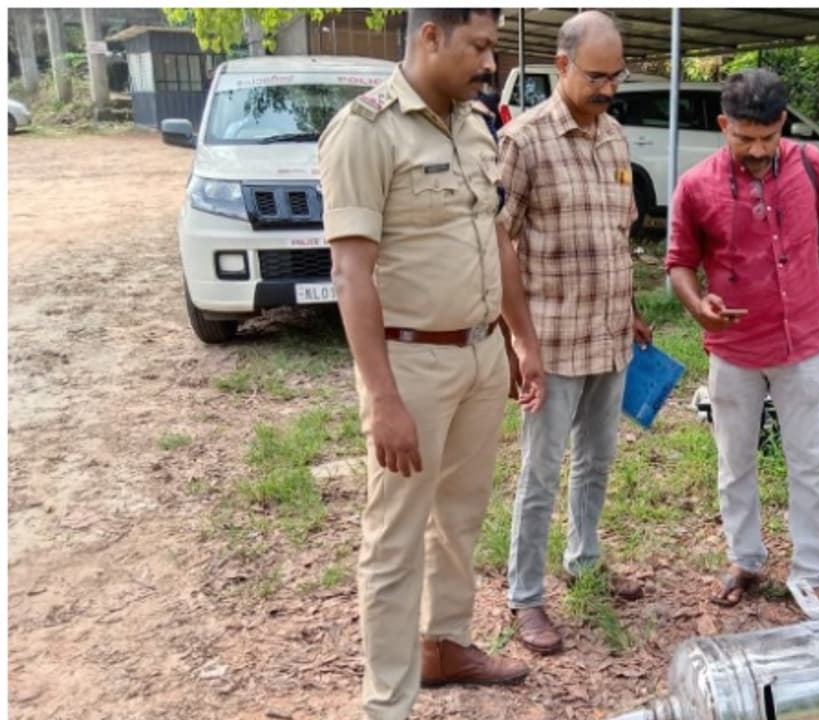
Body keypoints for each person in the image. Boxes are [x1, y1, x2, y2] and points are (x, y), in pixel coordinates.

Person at [318, 9, 546, 719]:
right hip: (411, 366)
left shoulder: (474, 124)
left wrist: (521, 338)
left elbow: (496, 240)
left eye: (492, 48)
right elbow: (352, 274)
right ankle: (387, 701)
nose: (488, 63)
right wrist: (382, 398)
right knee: (395, 535)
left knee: (461, 515)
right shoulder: (366, 130)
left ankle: (446, 644)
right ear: (429, 37)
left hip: (480, 356)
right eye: (478, 47)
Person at [664, 68, 819, 615]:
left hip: (803, 340)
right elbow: (680, 263)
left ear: (783, 122)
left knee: (810, 461)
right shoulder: (695, 186)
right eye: (744, 138)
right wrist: (697, 306)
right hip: (733, 349)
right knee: (735, 463)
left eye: (767, 137)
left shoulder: (811, 165)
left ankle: (813, 574)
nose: (757, 151)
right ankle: (746, 559)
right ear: (723, 125)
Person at [496, 10, 652, 656]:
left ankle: (584, 559)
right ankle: (524, 595)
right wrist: (518, 341)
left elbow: (617, 235)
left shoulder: (615, 138)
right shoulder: (524, 141)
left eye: (616, 75)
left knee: (598, 459)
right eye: (596, 76)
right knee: (541, 469)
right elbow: (499, 245)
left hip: (610, 337)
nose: (609, 87)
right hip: (553, 343)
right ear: (561, 67)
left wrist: (633, 306)